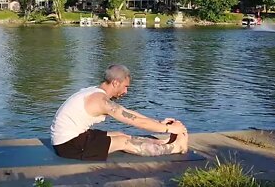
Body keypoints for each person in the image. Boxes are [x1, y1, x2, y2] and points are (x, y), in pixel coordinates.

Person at [50, 64, 188, 161]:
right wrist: (168, 128)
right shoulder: (101, 101)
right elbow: (135, 121)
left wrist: (157, 122)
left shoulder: (95, 92)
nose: (126, 91)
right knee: (123, 142)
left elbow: (128, 113)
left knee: (119, 134)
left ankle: (163, 144)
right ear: (116, 83)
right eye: (125, 87)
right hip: (69, 145)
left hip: (73, 138)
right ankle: (175, 148)